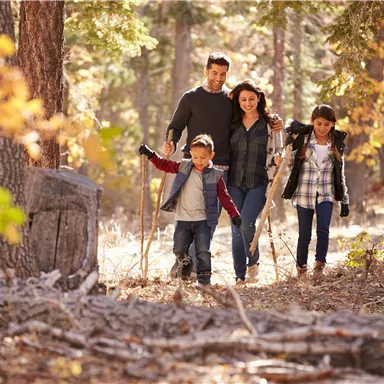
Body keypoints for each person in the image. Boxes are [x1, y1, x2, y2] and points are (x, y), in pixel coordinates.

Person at [163, 52, 283, 277]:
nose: (218, 78)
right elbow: (176, 125)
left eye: (223, 74)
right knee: (190, 216)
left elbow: (253, 115)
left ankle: (190, 264)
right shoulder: (191, 97)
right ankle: (183, 260)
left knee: (210, 219)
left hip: (222, 170)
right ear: (206, 71)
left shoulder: (231, 99)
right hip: (193, 166)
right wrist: (170, 141)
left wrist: (274, 121)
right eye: (215, 73)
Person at [139, 134, 241, 286]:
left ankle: (204, 281)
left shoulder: (216, 175)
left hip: (203, 221)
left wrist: (234, 214)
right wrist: (151, 155)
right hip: (183, 219)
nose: (199, 161)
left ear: (211, 155)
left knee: (203, 251)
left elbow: (224, 196)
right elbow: (164, 165)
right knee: (179, 249)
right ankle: (185, 265)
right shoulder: (184, 167)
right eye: (195, 157)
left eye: (203, 157)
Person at [281, 104, 350, 278]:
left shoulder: (336, 144)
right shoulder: (303, 139)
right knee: (304, 234)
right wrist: (289, 141)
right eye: (318, 123)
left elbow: (340, 173)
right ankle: (301, 268)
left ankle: (320, 266)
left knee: (323, 230)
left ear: (333, 124)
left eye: (327, 124)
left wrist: (345, 200)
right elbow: (288, 160)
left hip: (326, 193)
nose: (322, 128)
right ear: (312, 122)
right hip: (304, 193)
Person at [227, 79, 283, 284]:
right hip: (233, 183)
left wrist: (279, 158)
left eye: (251, 98)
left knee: (247, 222)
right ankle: (239, 275)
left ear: (259, 98)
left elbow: (280, 149)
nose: (248, 103)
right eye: (243, 99)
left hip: (259, 183)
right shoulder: (232, 122)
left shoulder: (270, 124)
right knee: (236, 228)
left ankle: (253, 262)